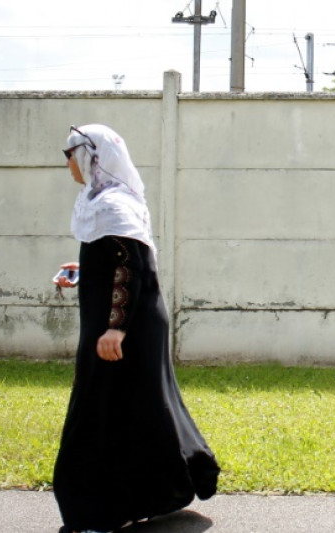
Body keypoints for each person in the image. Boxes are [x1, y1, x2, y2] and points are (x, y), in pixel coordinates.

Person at [52, 124, 220, 533]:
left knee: (100, 410)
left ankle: (95, 508)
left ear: (91, 155)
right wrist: (82, 271)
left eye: (69, 153)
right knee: (136, 407)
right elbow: (115, 261)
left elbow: (132, 267)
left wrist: (115, 329)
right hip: (127, 324)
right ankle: (162, 487)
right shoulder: (104, 202)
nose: (67, 162)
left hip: (125, 329)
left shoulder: (113, 205)